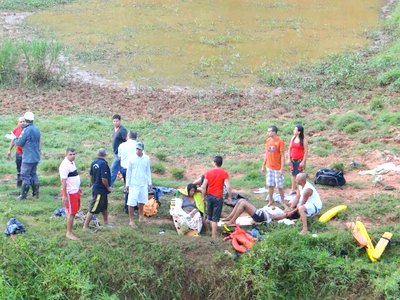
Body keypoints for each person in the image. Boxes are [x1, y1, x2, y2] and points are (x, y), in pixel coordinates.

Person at [201, 156, 232, 238]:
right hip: (218, 198)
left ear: (215, 163)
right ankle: (214, 236)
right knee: (215, 219)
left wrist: (203, 197)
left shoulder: (208, 173)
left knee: (210, 217)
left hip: (209, 197)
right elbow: (228, 187)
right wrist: (230, 197)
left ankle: (211, 232)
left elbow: (203, 186)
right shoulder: (224, 173)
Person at [83, 148, 113, 229]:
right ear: (105, 155)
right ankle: (85, 226)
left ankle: (106, 223)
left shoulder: (94, 163)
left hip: (97, 188)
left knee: (104, 207)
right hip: (100, 190)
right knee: (93, 208)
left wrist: (92, 183)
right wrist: (108, 187)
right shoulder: (103, 164)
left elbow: (91, 175)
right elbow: (104, 179)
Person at [14, 112, 41, 200]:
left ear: (26, 120)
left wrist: (14, 139)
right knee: (33, 174)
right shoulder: (36, 129)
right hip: (36, 156)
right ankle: (35, 193)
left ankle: (23, 195)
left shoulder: (26, 130)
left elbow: (19, 143)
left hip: (28, 157)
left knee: (25, 175)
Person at [125, 142, 152, 226]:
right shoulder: (131, 158)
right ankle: (131, 220)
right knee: (131, 202)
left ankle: (141, 216)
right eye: (136, 149)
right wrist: (127, 184)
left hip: (143, 183)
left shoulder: (146, 158)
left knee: (142, 200)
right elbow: (128, 172)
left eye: (139, 149)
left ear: (142, 150)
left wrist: (149, 182)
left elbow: (148, 171)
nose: (137, 151)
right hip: (134, 184)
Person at [59, 148, 82, 240]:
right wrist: (64, 195)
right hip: (70, 193)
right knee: (71, 213)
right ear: (66, 155)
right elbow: (63, 182)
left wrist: (78, 187)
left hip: (75, 191)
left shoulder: (72, 163)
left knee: (73, 211)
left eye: (74, 154)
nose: (72, 156)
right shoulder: (64, 166)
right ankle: (69, 233)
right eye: (70, 154)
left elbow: (74, 175)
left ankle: (70, 230)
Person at [261, 125, 285, 207]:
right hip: (269, 167)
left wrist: (281, 168)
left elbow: (282, 156)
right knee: (270, 185)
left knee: (280, 186)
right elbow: (267, 154)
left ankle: (283, 201)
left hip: (277, 168)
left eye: (269, 131)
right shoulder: (268, 140)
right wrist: (263, 165)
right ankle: (271, 201)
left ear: (274, 132)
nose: (268, 133)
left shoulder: (280, 141)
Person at [117, 131, 138, 213]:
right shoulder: (138, 145)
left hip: (124, 168)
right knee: (134, 187)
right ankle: (132, 205)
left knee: (127, 185)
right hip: (134, 169)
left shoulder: (122, 145)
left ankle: (127, 206)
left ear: (128, 136)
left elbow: (119, 157)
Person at [288, 125, 308, 194]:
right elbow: (289, 149)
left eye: (295, 130)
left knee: (300, 176)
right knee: (293, 175)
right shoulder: (293, 138)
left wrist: (303, 161)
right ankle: (293, 189)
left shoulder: (303, 140)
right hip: (293, 159)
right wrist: (289, 158)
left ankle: (300, 191)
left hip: (300, 160)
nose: (294, 131)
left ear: (299, 132)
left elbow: (306, 152)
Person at [7, 117, 26, 187]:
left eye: (23, 121)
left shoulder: (28, 130)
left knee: (26, 169)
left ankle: (26, 184)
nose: (22, 123)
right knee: (19, 169)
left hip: (27, 153)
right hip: (18, 153)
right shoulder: (16, 130)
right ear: (18, 123)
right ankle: (19, 185)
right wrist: (9, 150)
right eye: (20, 122)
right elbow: (12, 140)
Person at [110, 114, 128, 186]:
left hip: (120, 154)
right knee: (122, 170)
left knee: (113, 169)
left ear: (120, 121)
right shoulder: (115, 129)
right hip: (116, 153)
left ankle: (108, 186)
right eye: (114, 121)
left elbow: (127, 140)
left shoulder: (122, 130)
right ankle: (126, 185)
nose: (115, 123)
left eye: (117, 121)